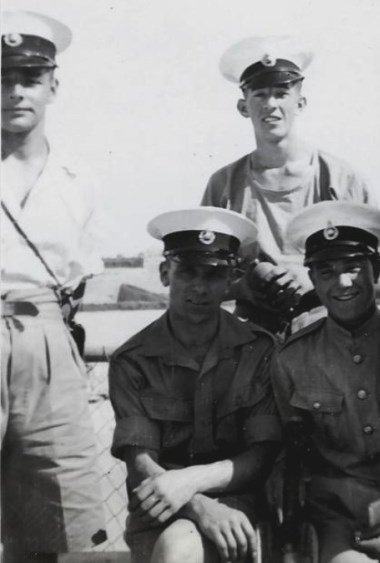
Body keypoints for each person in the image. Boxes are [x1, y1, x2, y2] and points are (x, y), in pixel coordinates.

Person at [272, 201, 380, 563]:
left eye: (353, 267)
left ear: (374, 270)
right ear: (314, 280)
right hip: (339, 523)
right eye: (326, 271)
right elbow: (290, 461)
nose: (342, 282)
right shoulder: (293, 359)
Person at [109, 208, 281, 563]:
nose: (200, 287)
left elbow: (261, 455)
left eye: (214, 274)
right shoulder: (133, 360)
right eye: (187, 272)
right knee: (177, 548)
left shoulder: (258, 349)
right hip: (161, 509)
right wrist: (199, 506)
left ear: (231, 279)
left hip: (241, 508)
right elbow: (141, 465)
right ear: (164, 273)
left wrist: (190, 481)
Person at [1, 10, 106, 563]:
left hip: (48, 346)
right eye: (3, 77)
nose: (16, 91)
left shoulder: (78, 179)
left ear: (53, 86)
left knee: (66, 520)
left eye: (30, 78)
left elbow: (77, 282)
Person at [202, 36, 380, 335]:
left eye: (281, 93)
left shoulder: (343, 180)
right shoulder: (224, 186)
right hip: (251, 339)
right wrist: (246, 286)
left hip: (334, 335)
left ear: (300, 102)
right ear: (243, 106)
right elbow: (202, 279)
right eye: (260, 94)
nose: (271, 105)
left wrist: (316, 278)